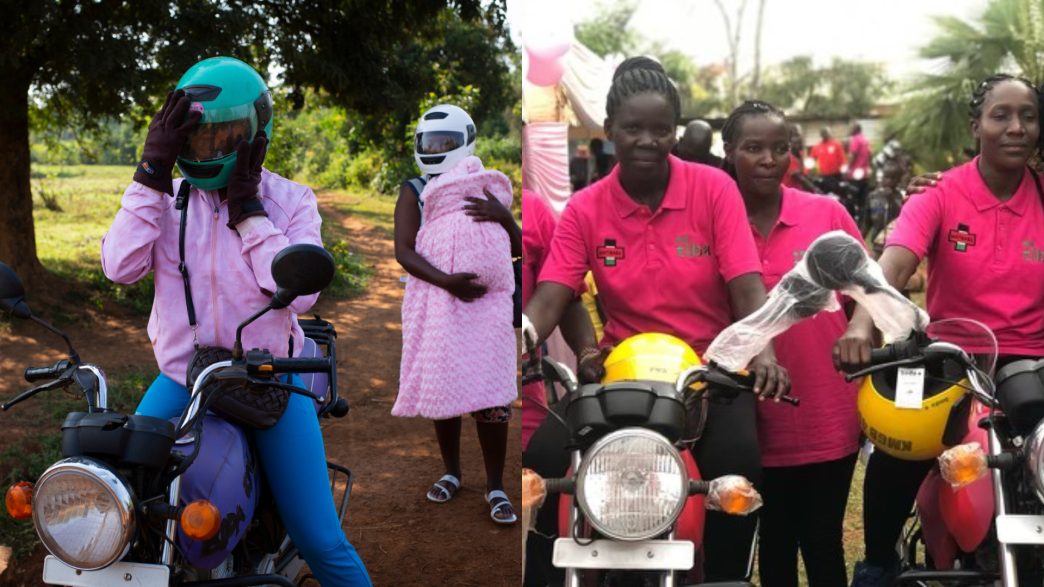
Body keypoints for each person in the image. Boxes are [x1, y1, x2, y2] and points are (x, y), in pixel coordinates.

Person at [101, 56, 371, 586]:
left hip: (271, 381)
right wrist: (150, 176)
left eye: (224, 136)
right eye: (195, 136)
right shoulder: (165, 202)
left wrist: (249, 213)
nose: (208, 149)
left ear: (256, 134)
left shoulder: (290, 200)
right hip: (185, 378)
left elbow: (302, 295)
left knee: (319, 538)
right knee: (123, 505)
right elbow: (119, 268)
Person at [522, 56, 790, 583]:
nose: (647, 140)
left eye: (661, 129)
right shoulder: (585, 208)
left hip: (710, 375)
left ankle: (724, 578)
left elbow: (745, 285)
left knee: (738, 468)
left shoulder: (713, 189)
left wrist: (765, 353)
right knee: (546, 461)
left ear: (675, 131)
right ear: (609, 130)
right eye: (632, 129)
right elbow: (553, 295)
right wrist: (517, 338)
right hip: (620, 374)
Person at [835, 74, 1044, 586]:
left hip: (1032, 362)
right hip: (951, 359)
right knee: (901, 446)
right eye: (1000, 115)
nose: (1016, 127)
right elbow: (894, 263)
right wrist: (862, 322)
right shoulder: (940, 193)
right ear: (976, 125)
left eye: (1028, 116)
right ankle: (878, 562)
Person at [722, 100, 862, 587]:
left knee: (822, 540)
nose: (769, 160)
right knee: (773, 540)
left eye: (780, 148)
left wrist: (860, 331)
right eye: (753, 148)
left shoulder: (825, 214)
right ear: (729, 151)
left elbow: (871, 292)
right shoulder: (715, 218)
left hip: (825, 410)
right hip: (747, 419)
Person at [391, 104, 520, 524]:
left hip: (486, 308)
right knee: (444, 388)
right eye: (430, 143)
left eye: (444, 143)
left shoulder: (484, 185)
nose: (435, 150)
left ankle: (496, 485)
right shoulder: (414, 190)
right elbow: (404, 251)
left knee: (493, 396)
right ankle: (451, 473)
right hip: (439, 304)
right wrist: (447, 282)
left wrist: (506, 218)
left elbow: (519, 248)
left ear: (466, 142)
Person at [810, 127, 847, 194]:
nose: (825, 134)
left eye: (826, 133)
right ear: (821, 135)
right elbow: (811, 161)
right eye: (823, 133)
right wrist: (808, 172)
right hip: (823, 176)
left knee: (837, 194)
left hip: (836, 176)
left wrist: (844, 172)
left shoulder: (836, 145)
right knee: (825, 195)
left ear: (829, 133)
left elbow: (842, 160)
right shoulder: (816, 147)